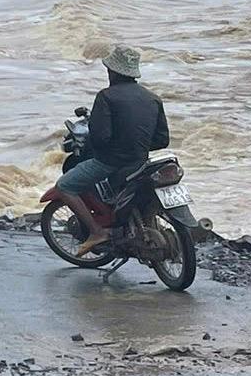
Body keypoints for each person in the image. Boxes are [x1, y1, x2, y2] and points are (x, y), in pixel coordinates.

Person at [54, 45, 168, 256]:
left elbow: (100, 137)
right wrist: (136, 146)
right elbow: (162, 140)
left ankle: (97, 232)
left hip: (112, 162)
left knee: (64, 185)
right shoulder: (153, 98)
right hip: (141, 162)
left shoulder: (106, 96)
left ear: (113, 72)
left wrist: (102, 149)